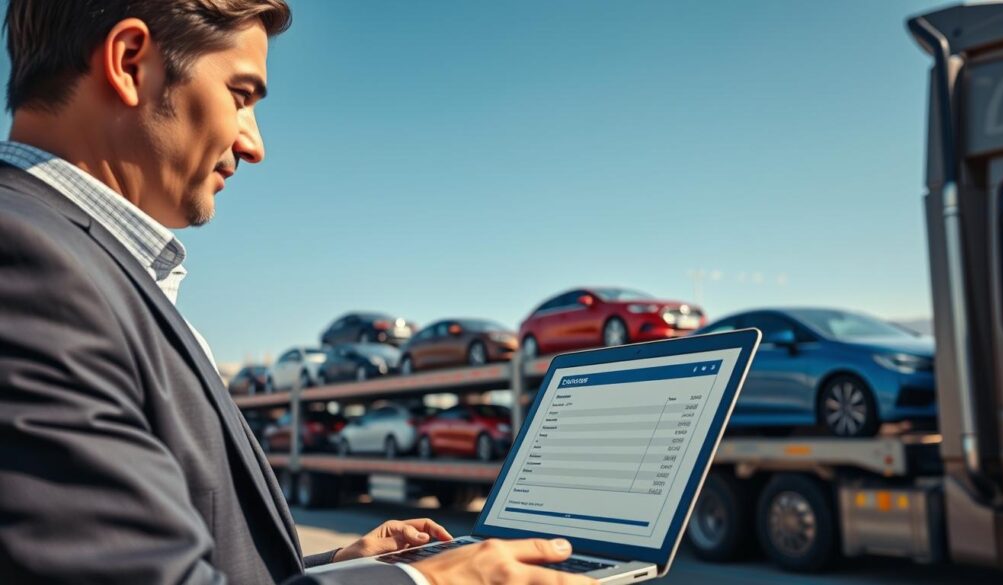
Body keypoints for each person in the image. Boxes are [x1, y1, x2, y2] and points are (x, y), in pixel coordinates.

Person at [0, 1, 596, 584]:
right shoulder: (29, 264)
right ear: (130, 62)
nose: (254, 144)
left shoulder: (81, 262)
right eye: (240, 95)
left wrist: (341, 569)